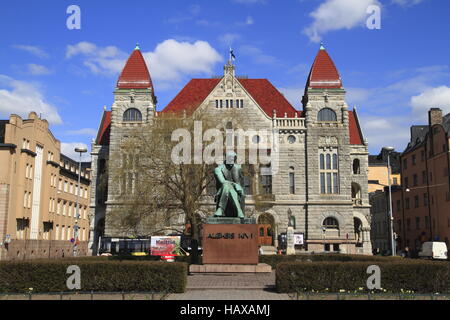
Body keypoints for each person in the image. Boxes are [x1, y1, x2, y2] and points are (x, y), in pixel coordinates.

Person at [214, 152, 245, 218]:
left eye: (233, 159)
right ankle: (239, 210)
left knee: (230, 190)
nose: (231, 161)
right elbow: (223, 182)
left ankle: (220, 209)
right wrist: (234, 185)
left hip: (237, 192)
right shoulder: (218, 169)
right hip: (223, 191)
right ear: (226, 158)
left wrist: (240, 189)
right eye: (229, 159)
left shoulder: (238, 168)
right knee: (226, 186)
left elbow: (242, 183)